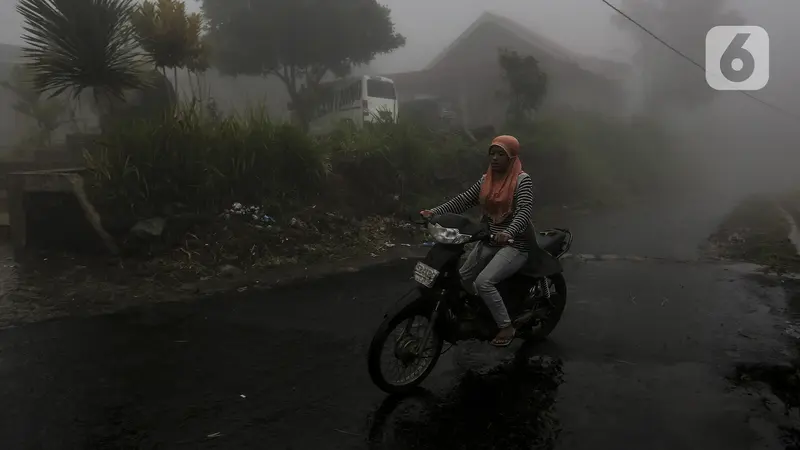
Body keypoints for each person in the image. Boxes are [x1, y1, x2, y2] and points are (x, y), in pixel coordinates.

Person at [421, 135, 533, 347]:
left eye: (501, 154)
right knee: (462, 279)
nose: (495, 158)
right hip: (489, 239)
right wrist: (434, 212)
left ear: (512, 158)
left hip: (515, 243)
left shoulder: (522, 180)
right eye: (492, 153)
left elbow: (524, 212)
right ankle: (481, 312)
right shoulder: (486, 181)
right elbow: (463, 200)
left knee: (484, 282)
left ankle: (506, 326)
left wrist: (509, 231)